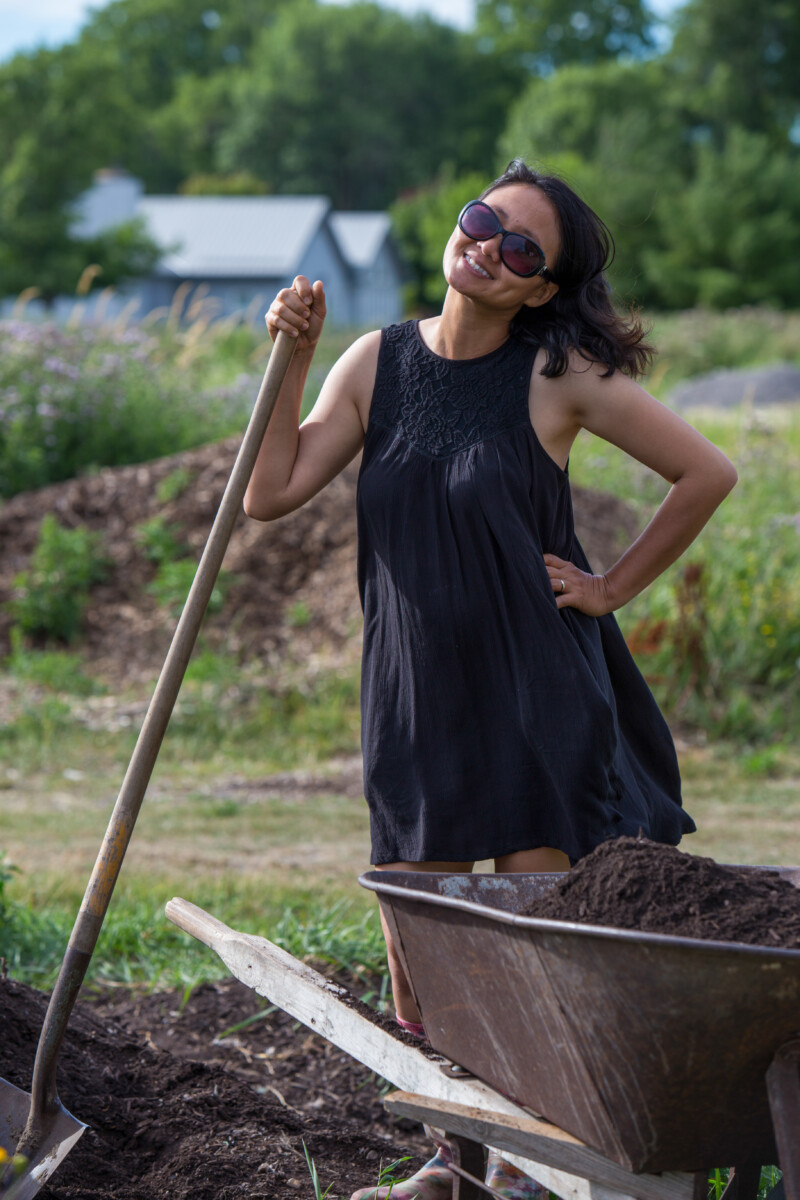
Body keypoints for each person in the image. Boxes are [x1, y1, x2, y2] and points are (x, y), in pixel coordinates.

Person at [244, 159, 737, 1199]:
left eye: (521, 249)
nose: (489, 248)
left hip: (534, 696)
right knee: (419, 940)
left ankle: (523, 1170)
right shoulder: (371, 363)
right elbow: (271, 491)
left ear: (540, 288)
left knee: (523, 946)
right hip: (412, 695)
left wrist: (608, 589)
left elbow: (706, 474)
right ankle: (445, 1163)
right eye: (483, 223)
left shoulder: (556, 374)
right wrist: (290, 360)